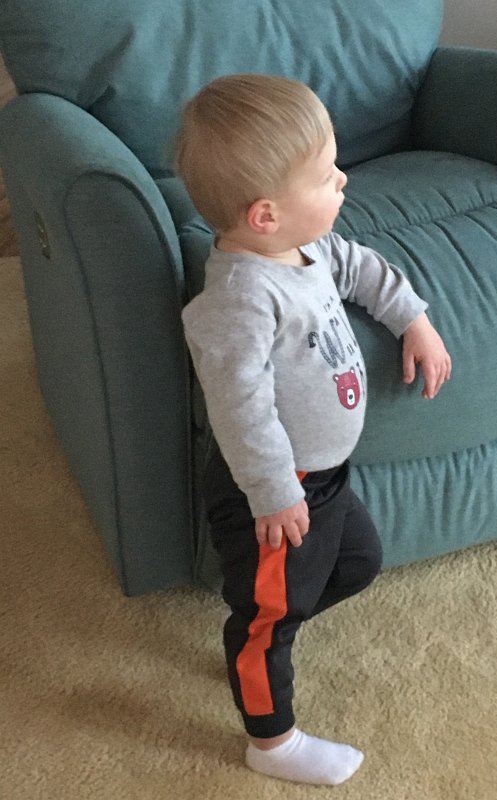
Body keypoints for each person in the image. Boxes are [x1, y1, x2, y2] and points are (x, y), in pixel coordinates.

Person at [175, 74, 452, 786]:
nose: (343, 180)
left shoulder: (308, 249)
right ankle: (270, 741)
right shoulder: (238, 299)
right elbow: (240, 407)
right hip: (279, 491)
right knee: (270, 615)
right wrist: (272, 492)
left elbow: (363, 268)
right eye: (327, 176)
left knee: (358, 563)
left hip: (326, 479)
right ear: (265, 214)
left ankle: (261, 636)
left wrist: (413, 319)